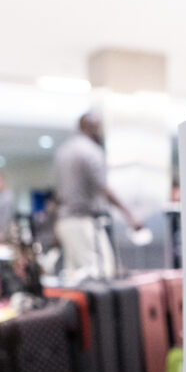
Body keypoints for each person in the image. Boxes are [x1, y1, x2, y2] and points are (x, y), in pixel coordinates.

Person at [53, 113, 142, 279]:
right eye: (98, 126)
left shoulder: (63, 151)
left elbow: (58, 195)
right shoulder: (91, 151)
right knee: (100, 273)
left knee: (74, 276)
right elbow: (104, 189)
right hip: (84, 223)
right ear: (90, 127)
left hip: (66, 222)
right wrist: (130, 216)